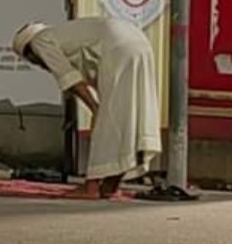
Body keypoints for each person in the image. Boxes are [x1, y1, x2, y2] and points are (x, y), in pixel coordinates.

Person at [12, 18, 162, 199]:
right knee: (129, 119)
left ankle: (91, 187)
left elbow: (69, 78)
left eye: (35, 62)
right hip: (140, 43)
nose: (40, 65)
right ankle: (110, 185)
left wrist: (95, 107)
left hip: (118, 49)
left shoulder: (39, 42)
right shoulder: (64, 35)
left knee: (108, 119)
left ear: (30, 53)